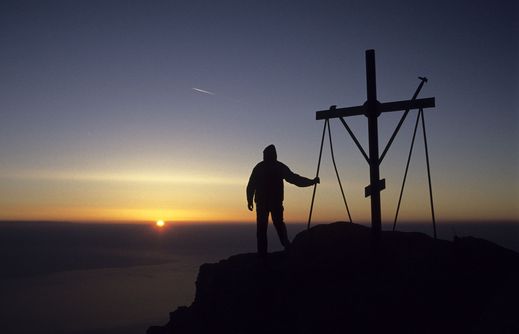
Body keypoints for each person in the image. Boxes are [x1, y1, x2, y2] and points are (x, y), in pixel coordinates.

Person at [246, 144, 319, 257]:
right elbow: (295, 179)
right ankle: (280, 249)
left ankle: (265, 254)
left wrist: (311, 182)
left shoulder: (264, 167)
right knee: (271, 227)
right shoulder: (275, 167)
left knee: (268, 228)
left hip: (268, 203)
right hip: (268, 203)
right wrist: (249, 200)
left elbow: (251, 185)